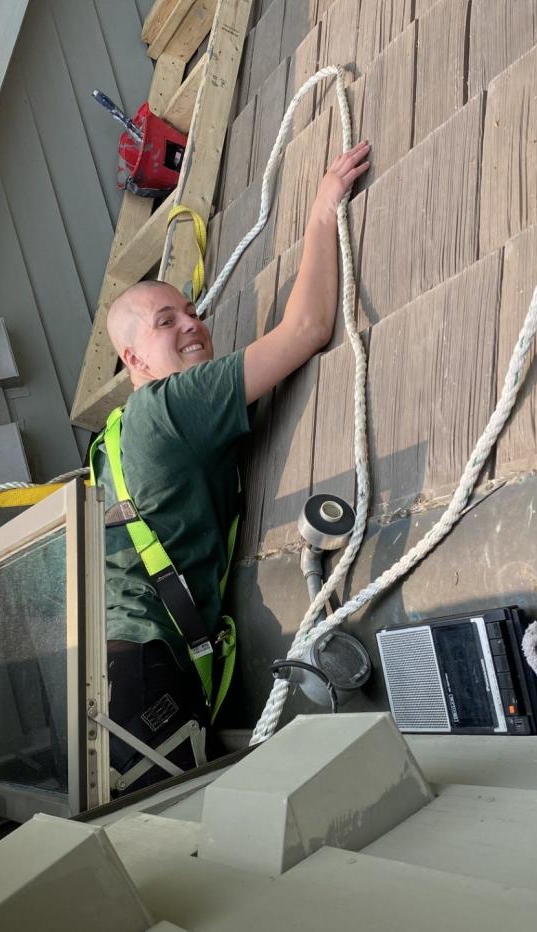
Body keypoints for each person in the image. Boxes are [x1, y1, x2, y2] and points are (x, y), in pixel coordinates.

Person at [91, 140, 371, 792]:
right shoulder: (168, 406)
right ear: (134, 360)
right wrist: (323, 210)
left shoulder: (120, 433)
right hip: (143, 672)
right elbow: (306, 330)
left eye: (192, 312)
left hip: (120, 668)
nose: (193, 325)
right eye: (167, 322)